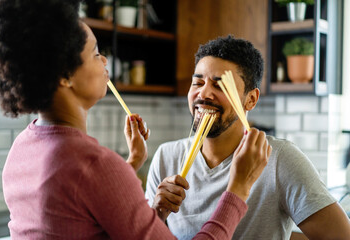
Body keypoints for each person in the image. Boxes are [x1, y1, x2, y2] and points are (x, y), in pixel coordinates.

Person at [0, 0, 271, 239]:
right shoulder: (95, 166)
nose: (105, 63)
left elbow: (81, 215)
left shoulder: (22, 147)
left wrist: (131, 165)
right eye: (95, 54)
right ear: (65, 76)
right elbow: (90, 178)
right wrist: (239, 188)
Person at [145, 35, 350, 239]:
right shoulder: (166, 157)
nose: (204, 93)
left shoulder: (279, 160)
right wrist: (157, 214)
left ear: (251, 100)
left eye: (220, 86)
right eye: (197, 83)